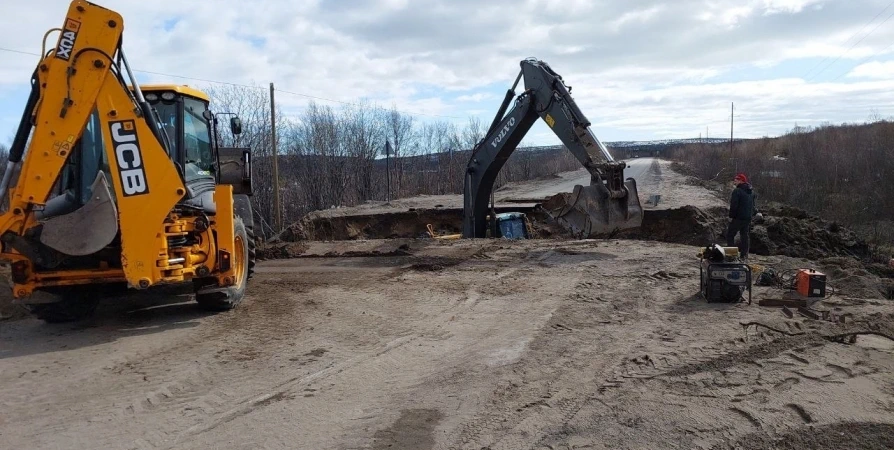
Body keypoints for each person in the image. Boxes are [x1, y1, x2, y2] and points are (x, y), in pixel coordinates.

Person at [727, 172, 758, 260]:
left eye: (736, 180)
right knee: (744, 235)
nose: (734, 181)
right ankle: (744, 256)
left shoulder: (737, 191)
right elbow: (753, 206)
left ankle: (731, 255)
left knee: (730, 235)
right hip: (748, 218)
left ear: (741, 181)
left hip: (738, 218)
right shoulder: (751, 192)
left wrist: (731, 216)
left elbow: (734, 205)